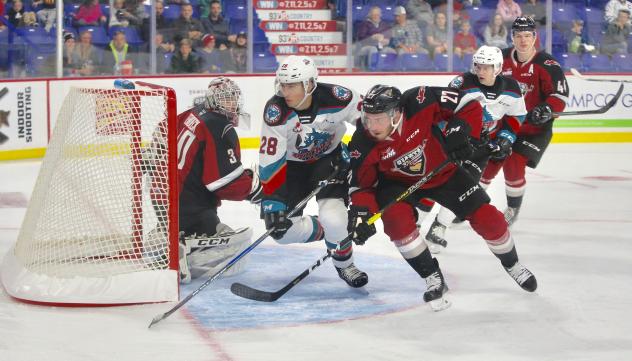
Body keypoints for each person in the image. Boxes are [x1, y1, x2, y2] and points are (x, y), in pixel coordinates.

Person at [346, 84, 537, 311]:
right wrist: (362, 213)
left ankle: (512, 264)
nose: (372, 126)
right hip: (398, 184)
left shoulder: (419, 100)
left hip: (443, 173)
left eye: (379, 119)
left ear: (395, 114)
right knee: (397, 224)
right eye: (368, 119)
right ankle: (432, 276)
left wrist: (460, 132)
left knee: (490, 220)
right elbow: (361, 186)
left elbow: (468, 105)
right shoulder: (362, 142)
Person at [259, 55, 368, 288]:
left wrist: (355, 152)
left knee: (335, 218)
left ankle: (344, 264)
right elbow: (271, 158)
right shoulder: (275, 111)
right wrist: (273, 202)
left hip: (329, 161)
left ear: (309, 84)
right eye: (282, 84)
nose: (284, 91)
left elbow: (369, 126)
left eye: (291, 85)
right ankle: (328, 230)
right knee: (281, 233)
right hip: (292, 168)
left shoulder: (339, 97)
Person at [151, 77, 262, 283]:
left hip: (161, 197)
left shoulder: (193, 111)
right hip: (187, 204)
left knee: (209, 221)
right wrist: (253, 188)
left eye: (233, 98)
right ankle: (182, 246)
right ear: (213, 100)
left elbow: (161, 131)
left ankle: (167, 233)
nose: (232, 104)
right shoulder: (219, 126)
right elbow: (221, 183)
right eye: (225, 99)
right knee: (217, 234)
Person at [425, 45, 527, 252]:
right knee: (434, 181)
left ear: (497, 68)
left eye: (486, 67)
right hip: (453, 142)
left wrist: (505, 138)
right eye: (478, 66)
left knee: (466, 186)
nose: (481, 71)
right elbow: (445, 112)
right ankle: (416, 221)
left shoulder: (512, 89)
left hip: (480, 148)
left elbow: (517, 116)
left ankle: (439, 227)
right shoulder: (461, 83)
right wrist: (460, 131)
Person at [480, 17, 569, 226]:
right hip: (506, 125)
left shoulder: (547, 64)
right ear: (512, 37)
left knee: (513, 162)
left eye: (527, 35)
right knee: (488, 163)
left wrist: (547, 108)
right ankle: (470, 204)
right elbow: (483, 84)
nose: (523, 40)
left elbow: (560, 95)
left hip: (534, 129)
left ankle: (512, 208)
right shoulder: (500, 59)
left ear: (535, 37)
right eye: (518, 35)